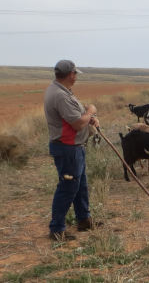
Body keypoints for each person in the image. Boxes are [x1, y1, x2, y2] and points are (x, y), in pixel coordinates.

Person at [44, 60, 102, 241]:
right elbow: (77, 124)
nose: (76, 77)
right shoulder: (60, 95)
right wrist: (91, 111)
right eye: (75, 74)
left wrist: (88, 118)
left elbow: (77, 116)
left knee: (80, 185)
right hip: (67, 148)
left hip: (74, 147)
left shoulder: (62, 91)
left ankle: (84, 220)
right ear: (70, 74)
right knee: (68, 187)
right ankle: (57, 229)